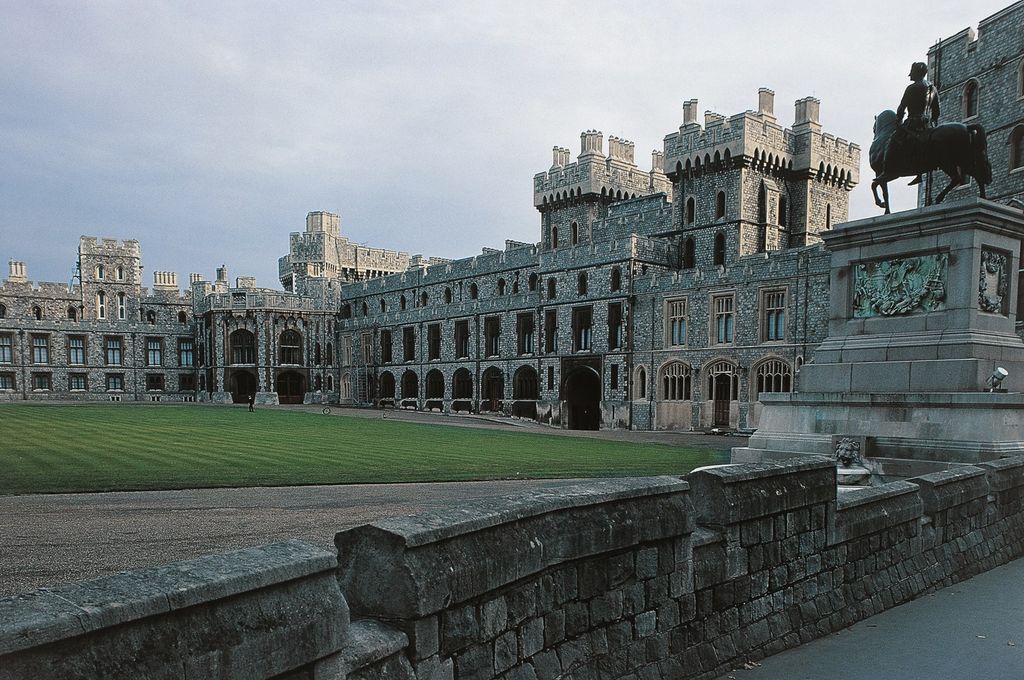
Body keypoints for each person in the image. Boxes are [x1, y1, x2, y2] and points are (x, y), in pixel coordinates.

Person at [896, 62, 940, 184]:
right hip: (927, 123)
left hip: (914, 122)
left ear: (916, 73)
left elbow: (901, 107)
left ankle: (890, 168)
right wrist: (932, 122)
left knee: (895, 140)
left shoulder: (912, 88)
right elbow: (936, 111)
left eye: (912, 72)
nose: (910, 75)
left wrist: (898, 120)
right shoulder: (933, 88)